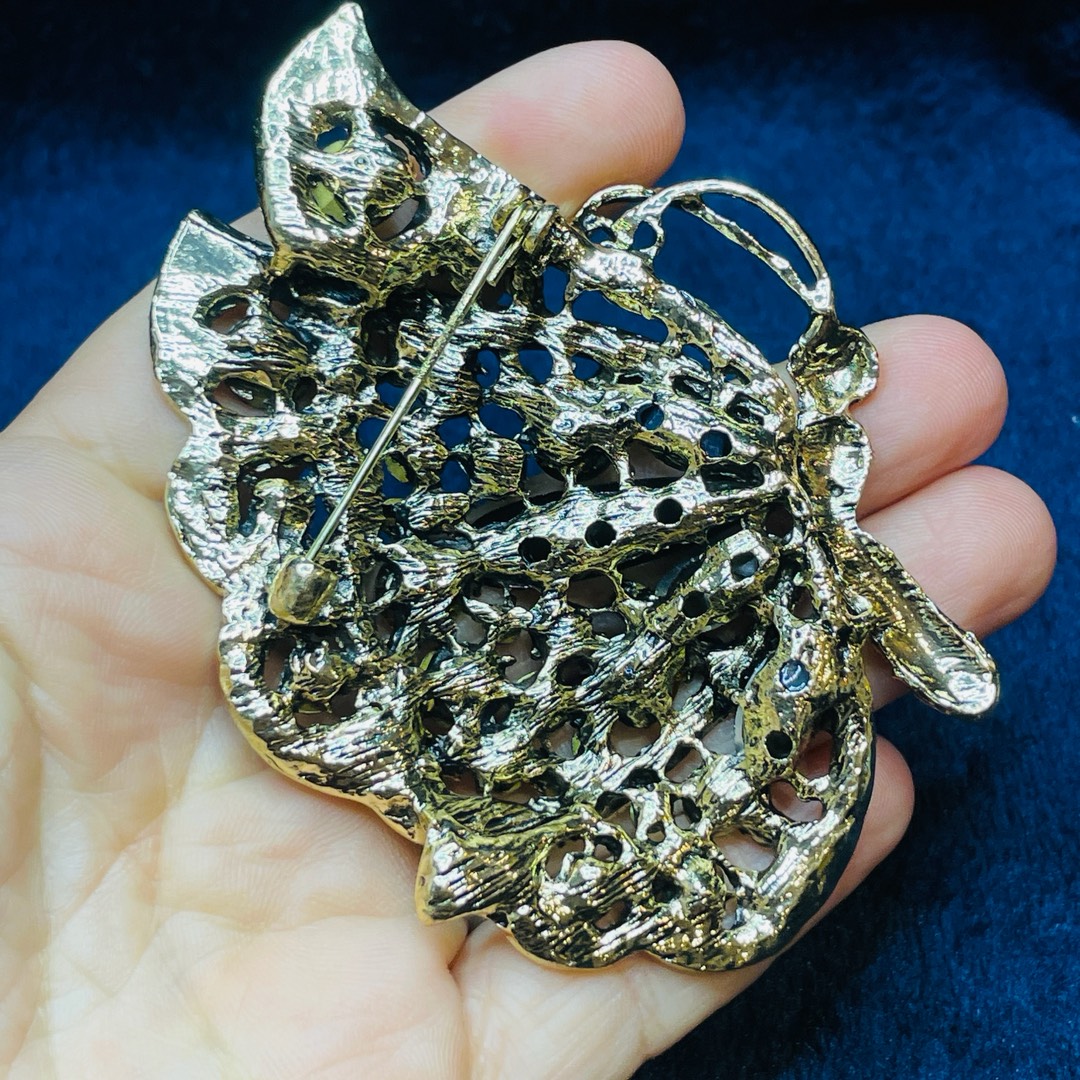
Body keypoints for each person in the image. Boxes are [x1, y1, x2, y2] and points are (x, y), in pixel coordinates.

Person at [0, 38, 1055, 1077]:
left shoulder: (760, 474)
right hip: (425, 592)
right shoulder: (664, 368)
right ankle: (457, 749)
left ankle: (514, 809)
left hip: (606, 661)